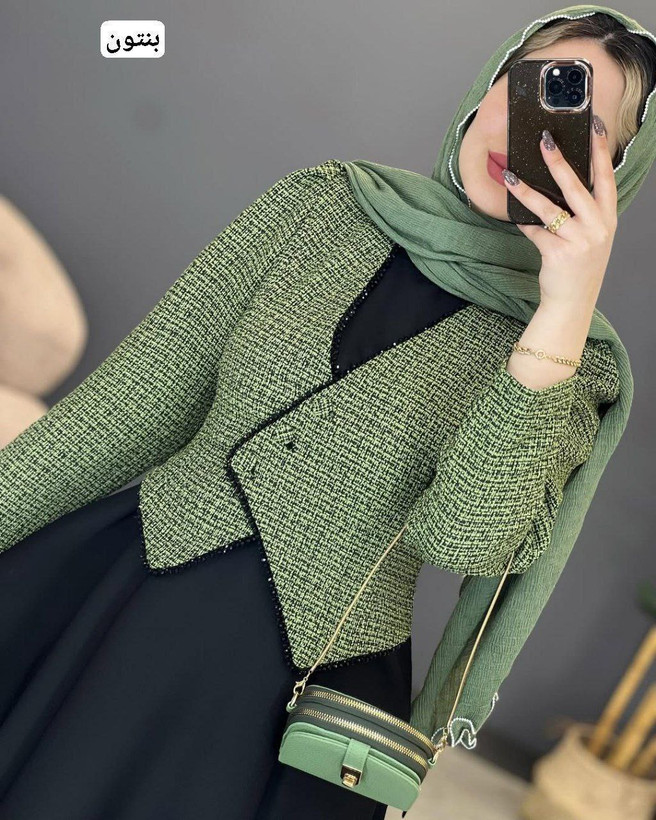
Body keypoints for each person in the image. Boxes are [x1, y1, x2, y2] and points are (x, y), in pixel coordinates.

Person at [0, 5, 654, 819]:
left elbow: (463, 539)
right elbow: (122, 412)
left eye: (585, 127)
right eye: (533, 88)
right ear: (487, 91)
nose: (538, 134)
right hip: (116, 603)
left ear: (617, 174)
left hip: (293, 705)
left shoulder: (576, 364)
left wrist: (561, 312)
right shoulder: (322, 206)